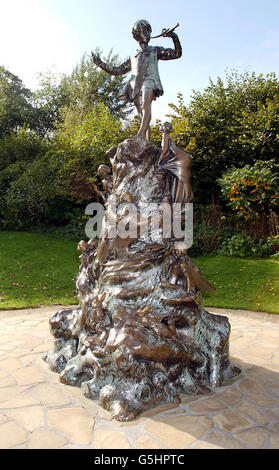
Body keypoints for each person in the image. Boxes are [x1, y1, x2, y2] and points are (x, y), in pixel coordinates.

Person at [91, 19, 182, 138]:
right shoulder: (133, 56)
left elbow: (176, 53)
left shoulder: (155, 50)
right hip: (135, 86)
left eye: (148, 31)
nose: (147, 34)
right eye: (143, 31)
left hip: (150, 81)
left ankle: (140, 134)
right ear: (136, 35)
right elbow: (117, 70)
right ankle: (145, 141)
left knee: (146, 105)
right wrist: (100, 64)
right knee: (141, 114)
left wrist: (173, 37)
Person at [159, 121, 193, 204]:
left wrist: (159, 160)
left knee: (161, 168)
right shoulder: (168, 136)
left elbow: (165, 149)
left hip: (180, 159)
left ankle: (186, 200)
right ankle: (185, 200)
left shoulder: (165, 135)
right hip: (183, 157)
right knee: (184, 180)